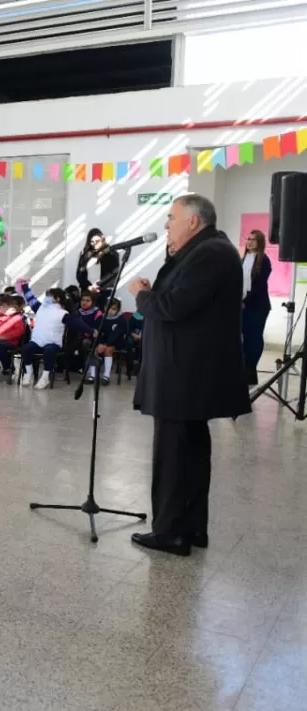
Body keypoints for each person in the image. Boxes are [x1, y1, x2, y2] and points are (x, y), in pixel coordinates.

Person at [126, 194, 250, 556]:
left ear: (193, 221)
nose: (167, 225)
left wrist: (141, 295)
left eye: (172, 218)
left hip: (184, 375)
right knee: (191, 452)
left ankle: (170, 533)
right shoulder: (208, 250)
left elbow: (172, 307)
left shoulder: (210, 253)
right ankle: (193, 527)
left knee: (173, 455)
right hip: (189, 374)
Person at [17, 283, 91, 389]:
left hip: (53, 343)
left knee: (49, 351)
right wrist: (24, 286)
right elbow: (30, 298)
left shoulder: (63, 313)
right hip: (37, 341)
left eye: (49, 296)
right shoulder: (40, 308)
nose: (46, 298)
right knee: (26, 349)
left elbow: (77, 324)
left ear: (57, 299)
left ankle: (45, 377)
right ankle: (28, 372)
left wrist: (91, 331)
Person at [241, 229, 272, 385]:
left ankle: (251, 370)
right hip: (243, 305)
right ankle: (246, 370)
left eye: (253, 239)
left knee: (254, 338)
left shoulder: (264, 261)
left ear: (260, 242)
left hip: (257, 306)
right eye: (248, 238)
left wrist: (245, 300)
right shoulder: (244, 259)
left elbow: (259, 285)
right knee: (244, 338)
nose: (250, 242)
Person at [81, 230, 120, 310]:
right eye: (92, 241)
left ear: (103, 239)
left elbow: (114, 274)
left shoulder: (112, 254)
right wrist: (89, 286)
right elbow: (80, 273)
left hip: (104, 291)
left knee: (100, 315)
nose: (94, 243)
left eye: (97, 241)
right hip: (87, 291)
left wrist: (98, 285)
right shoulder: (86, 254)